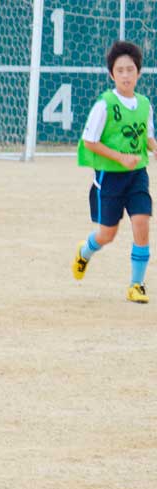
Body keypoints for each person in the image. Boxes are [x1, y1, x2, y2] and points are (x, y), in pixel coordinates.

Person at [73, 40, 157, 303]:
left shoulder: (144, 104)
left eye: (130, 69)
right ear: (112, 74)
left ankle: (136, 284)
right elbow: (89, 141)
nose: (125, 75)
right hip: (109, 177)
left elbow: (148, 138)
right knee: (107, 234)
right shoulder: (105, 104)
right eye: (119, 70)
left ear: (139, 73)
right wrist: (120, 157)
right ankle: (85, 251)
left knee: (142, 221)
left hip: (137, 175)